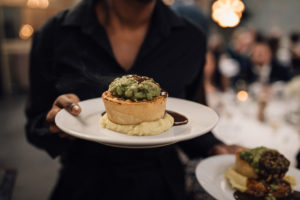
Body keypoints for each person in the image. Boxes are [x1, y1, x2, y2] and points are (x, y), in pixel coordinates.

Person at [25, 0, 239, 199]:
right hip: (84, 183)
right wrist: (56, 123)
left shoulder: (190, 39)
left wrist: (215, 147)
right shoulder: (54, 34)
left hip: (162, 185)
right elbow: (35, 126)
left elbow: (192, 120)